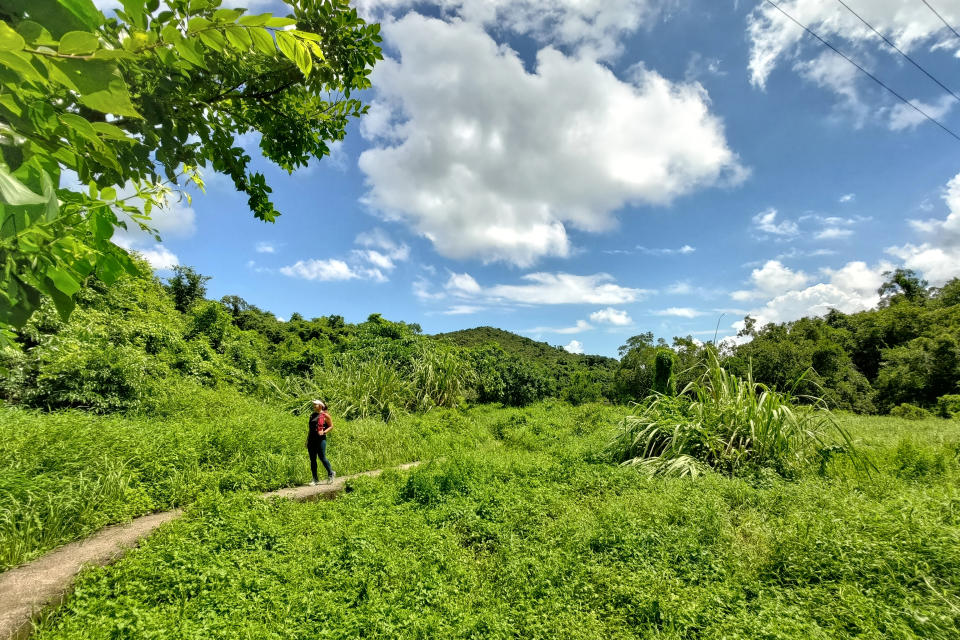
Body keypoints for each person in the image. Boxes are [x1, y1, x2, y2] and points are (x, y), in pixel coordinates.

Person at [306, 399, 336, 485]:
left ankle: (331, 473)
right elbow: (310, 429)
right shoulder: (312, 415)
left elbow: (331, 426)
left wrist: (324, 432)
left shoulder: (325, 415)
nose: (314, 406)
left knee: (322, 457)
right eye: (313, 405)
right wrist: (307, 440)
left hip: (320, 440)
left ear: (320, 406)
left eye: (315, 404)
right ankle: (315, 479)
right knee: (312, 459)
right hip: (311, 440)